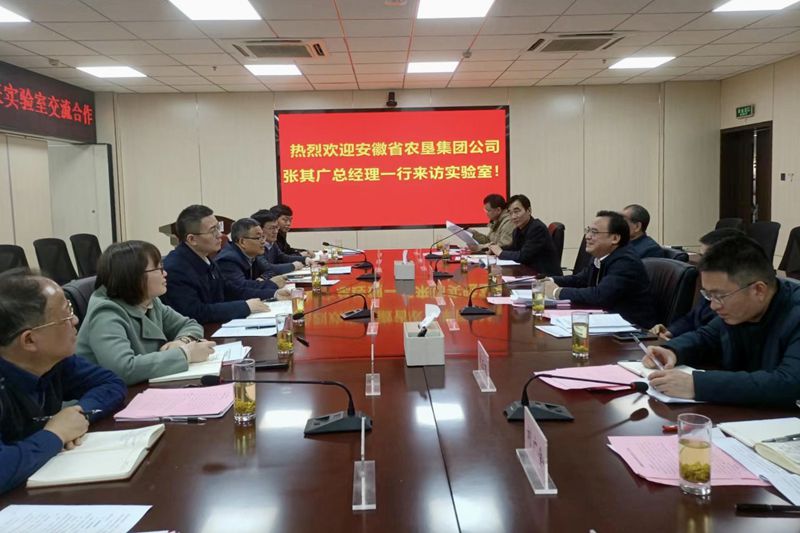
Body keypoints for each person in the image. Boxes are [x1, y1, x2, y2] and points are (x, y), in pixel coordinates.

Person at [0, 270, 126, 493]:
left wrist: (77, 415)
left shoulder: (55, 360)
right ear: (29, 340)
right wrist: (55, 434)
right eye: (65, 316)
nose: (75, 320)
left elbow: (111, 383)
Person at [643, 235, 800, 407]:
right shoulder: (739, 310)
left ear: (758, 290)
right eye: (708, 295)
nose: (713, 306)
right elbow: (705, 337)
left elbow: (791, 383)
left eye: (720, 296)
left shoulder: (794, 312)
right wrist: (672, 351)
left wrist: (697, 385)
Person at [76, 241, 215, 385]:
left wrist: (182, 341)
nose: (165, 273)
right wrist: (186, 354)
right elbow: (123, 369)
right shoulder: (106, 313)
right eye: (158, 269)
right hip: (102, 393)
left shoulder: (149, 300)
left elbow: (190, 324)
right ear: (134, 276)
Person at [162, 205, 271, 324]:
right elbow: (195, 312)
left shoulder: (205, 257)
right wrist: (245, 306)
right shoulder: (176, 268)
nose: (220, 235)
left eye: (218, 228)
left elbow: (230, 290)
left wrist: (273, 293)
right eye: (213, 231)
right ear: (192, 239)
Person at [551, 210, 656, 327]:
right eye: (588, 231)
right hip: (607, 321)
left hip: (632, 328)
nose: (587, 236)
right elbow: (581, 279)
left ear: (615, 238)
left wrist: (557, 292)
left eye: (594, 232)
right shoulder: (601, 255)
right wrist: (548, 280)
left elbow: (600, 296)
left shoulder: (625, 261)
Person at [650, 228, 745, 340]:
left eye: (708, 258)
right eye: (701, 256)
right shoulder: (712, 286)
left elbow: (707, 336)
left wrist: (677, 344)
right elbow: (692, 317)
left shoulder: (735, 295)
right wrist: (670, 332)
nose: (701, 263)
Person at [486, 194, 561, 276]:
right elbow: (514, 248)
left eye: (516, 212)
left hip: (545, 277)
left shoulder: (537, 228)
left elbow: (523, 256)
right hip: (529, 273)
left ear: (529, 210)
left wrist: (501, 253)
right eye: (510, 213)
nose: (513, 217)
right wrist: (496, 249)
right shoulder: (517, 230)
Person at [215, 218, 289, 300]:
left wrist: (262, 279)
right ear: (242, 242)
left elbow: (269, 270)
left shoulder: (252, 254)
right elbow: (241, 289)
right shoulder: (228, 260)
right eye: (258, 237)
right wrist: (271, 284)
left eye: (263, 237)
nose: (263, 242)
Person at [251, 209, 307, 276]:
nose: (276, 231)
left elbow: (282, 257)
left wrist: (304, 259)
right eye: (272, 228)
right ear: (259, 230)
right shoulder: (255, 246)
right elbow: (266, 268)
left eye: (277, 227)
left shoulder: (271, 242)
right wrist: (293, 266)